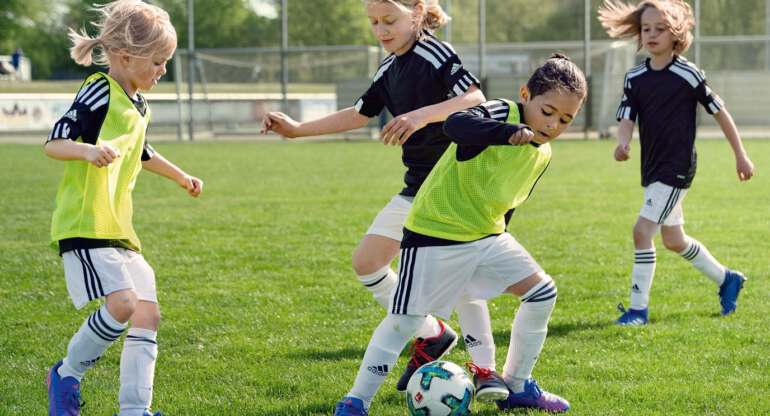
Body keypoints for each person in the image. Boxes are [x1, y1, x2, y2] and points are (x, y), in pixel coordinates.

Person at [262, 0, 507, 400]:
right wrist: (298, 130)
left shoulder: (435, 53)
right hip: (418, 188)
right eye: (374, 22)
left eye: (389, 20)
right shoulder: (389, 69)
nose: (381, 30)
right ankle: (432, 332)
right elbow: (360, 113)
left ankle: (486, 371)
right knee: (367, 262)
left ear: (416, 13)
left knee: (460, 280)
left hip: (455, 187)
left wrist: (419, 116)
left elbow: (473, 99)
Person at [333, 54, 587, 415]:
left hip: (486, 236)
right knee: (404, 320)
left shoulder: (543, 153)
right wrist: (507, 134)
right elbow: (457, 125)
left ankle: (516, 387)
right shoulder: (503, 113)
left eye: (566, 119)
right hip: (434, 233)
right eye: (548, 111)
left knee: (541, 292)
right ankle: (356, 400)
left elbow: (508, 203)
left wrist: (496, 252)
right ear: (525, 94)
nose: (554, 124)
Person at [44, 1, 203, 415]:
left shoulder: (139, 104)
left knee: (147, 314)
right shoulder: (99, 88)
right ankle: (66, 374)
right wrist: (87, 151)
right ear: (126, 56)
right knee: (123, 306)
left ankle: (135, 410)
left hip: (119, 228)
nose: (162, 71)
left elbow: (143, 153)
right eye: (158, 62)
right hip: (85, 223)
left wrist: (181, 176)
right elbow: (55, 142)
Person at [598, 0, 755, 326]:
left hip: (677, 166)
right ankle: (727, 279)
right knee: (673, 240)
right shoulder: (635, 77)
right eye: (646, 29)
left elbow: (721, 113)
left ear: (676, 34)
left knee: (642, 232)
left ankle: (638, 311)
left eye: (660, 28)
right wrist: (623, 142)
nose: (651, 34)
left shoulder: (689, 73)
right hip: (652, 167)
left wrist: (740, 154)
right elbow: (626, 117)